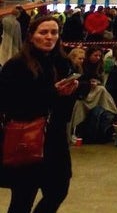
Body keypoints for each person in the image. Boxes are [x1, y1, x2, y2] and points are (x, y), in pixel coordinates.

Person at [0, 15, 80, 213]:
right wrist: (53, 93)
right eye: (43, 32)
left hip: (55, 140)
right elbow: (11, 104)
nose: (49, 37)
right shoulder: (16, 66)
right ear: (31, 36)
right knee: (22, 199)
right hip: (27, 139)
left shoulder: (63, 63)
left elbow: (65, 108)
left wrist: (72, 91)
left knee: (58, 191)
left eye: (54, 32)